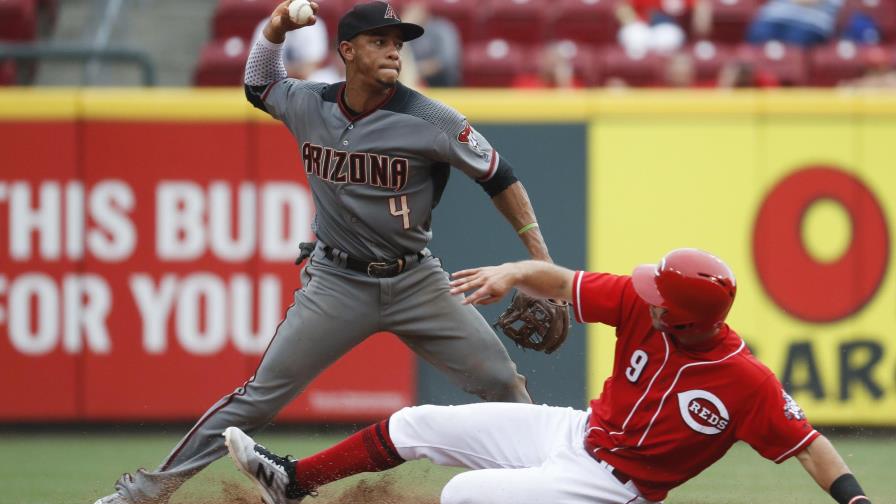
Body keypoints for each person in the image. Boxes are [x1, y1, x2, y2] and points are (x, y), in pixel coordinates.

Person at [93, 2, 556, 503]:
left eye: (398, 43)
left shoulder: (431, 118)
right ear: (348, 51)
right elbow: (258, 84)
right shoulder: (309, 102)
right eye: (380, 41)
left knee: (504, 386)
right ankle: (143, 495)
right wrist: (273, 30)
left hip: (416, 281)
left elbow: (500, 177)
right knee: (255, 399)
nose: (393, 51)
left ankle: (551, 488)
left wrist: (542, 265)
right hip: (338, 281)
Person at [223, 248, 874, 504]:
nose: (643, 295)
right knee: (418, 424)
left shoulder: (746, 383)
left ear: (682, 318)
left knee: (461, 498)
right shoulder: (643, 303)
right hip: (578, 434)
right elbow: (559, 281)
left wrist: (857, 502)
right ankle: (295, 483)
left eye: (658, 297)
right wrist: (511, 273)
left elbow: (809, 446)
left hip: (612, 489)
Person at [616, 0, 712, 56]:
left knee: (668, 37)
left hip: (667, 28)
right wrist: (633, 21)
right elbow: (622, 7)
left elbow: (699, 5)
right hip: (642, 27)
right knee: (634, 34)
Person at [400, 0, 462, 87]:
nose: (412, 14)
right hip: (415, 85)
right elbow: (399, 55)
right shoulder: (407, 32)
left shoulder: (442, 28)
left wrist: (417, 70)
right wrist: (404, 29)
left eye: (415, 10)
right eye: (408, 10)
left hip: (443, 85)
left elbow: (447, 61)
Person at [747, 0, 844, 48]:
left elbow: (808, 1)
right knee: (760, 33)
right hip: (774, 17)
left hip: (811, 23)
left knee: (793, 51)